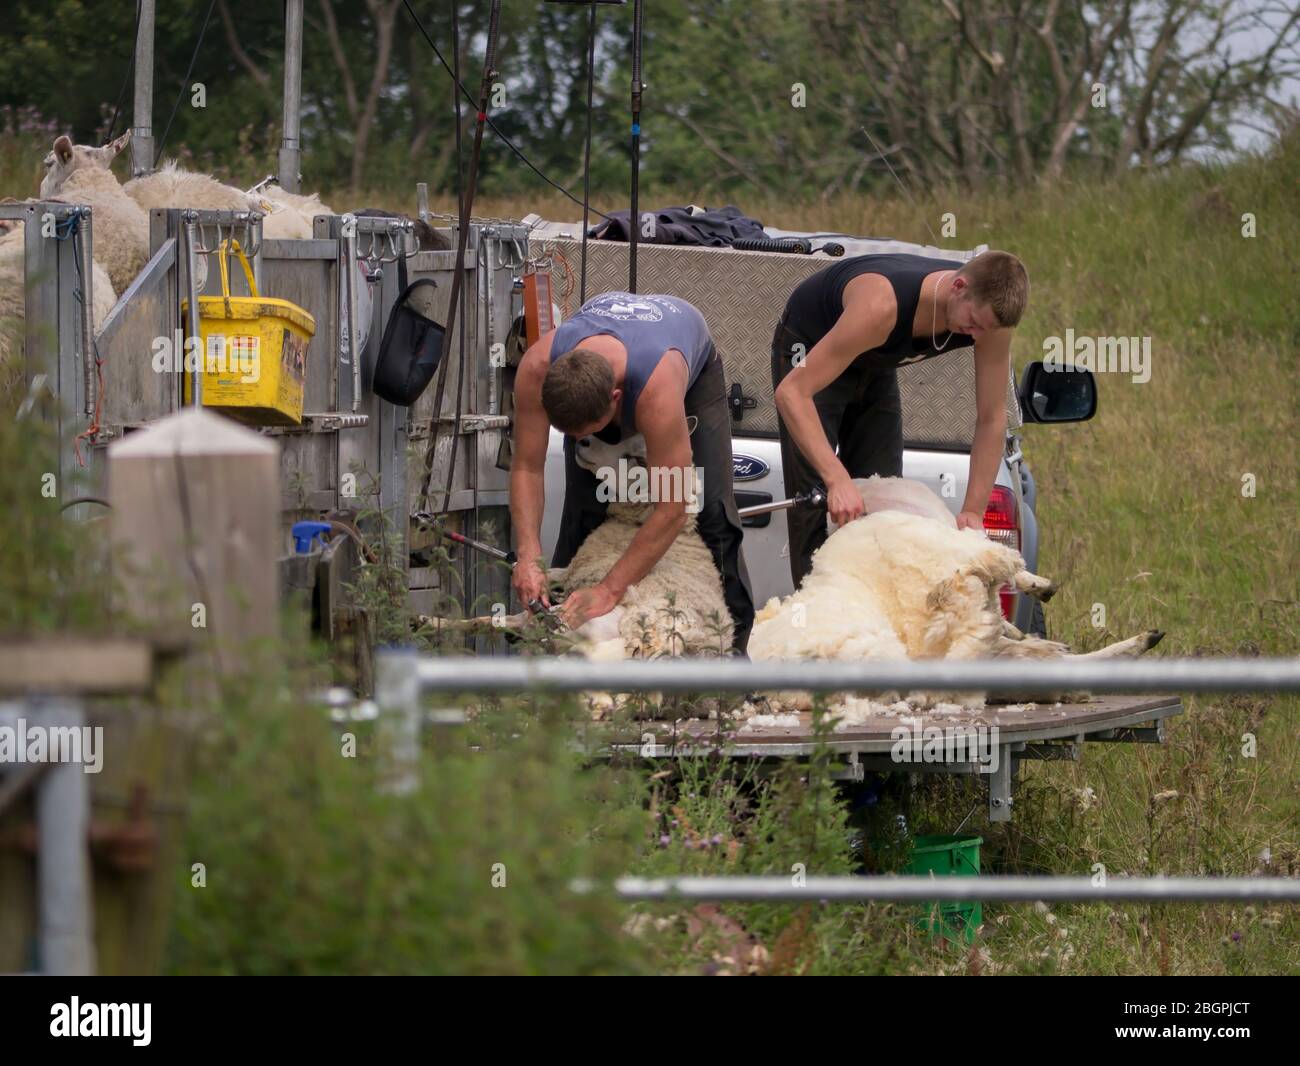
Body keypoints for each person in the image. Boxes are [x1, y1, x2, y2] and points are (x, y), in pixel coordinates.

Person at [509, 291, 755, 652]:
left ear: (616, 400)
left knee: (711, 511)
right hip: (608, 377)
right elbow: (527, 467)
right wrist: (528, 555)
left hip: (687, 367)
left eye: (588, 430)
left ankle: (732, 664)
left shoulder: (658, 393)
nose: (581, 441)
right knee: (584, 511)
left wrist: (609, 590)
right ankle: (562, 646)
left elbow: (671, 510)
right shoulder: (535, 369)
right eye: (571, 435)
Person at [772, 250, 1028, 587]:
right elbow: (792, 393)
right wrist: (836, 479)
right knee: (819, 503)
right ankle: (818, 625)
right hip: (812, 346)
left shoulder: (990, 319)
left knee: (885, 509)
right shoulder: (881, 307)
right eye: (975, 324)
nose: (977, 337)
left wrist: (973, 513)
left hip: (874, 360)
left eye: (985, 330)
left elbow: (993, 418)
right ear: (959, 287)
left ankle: (875, 623)